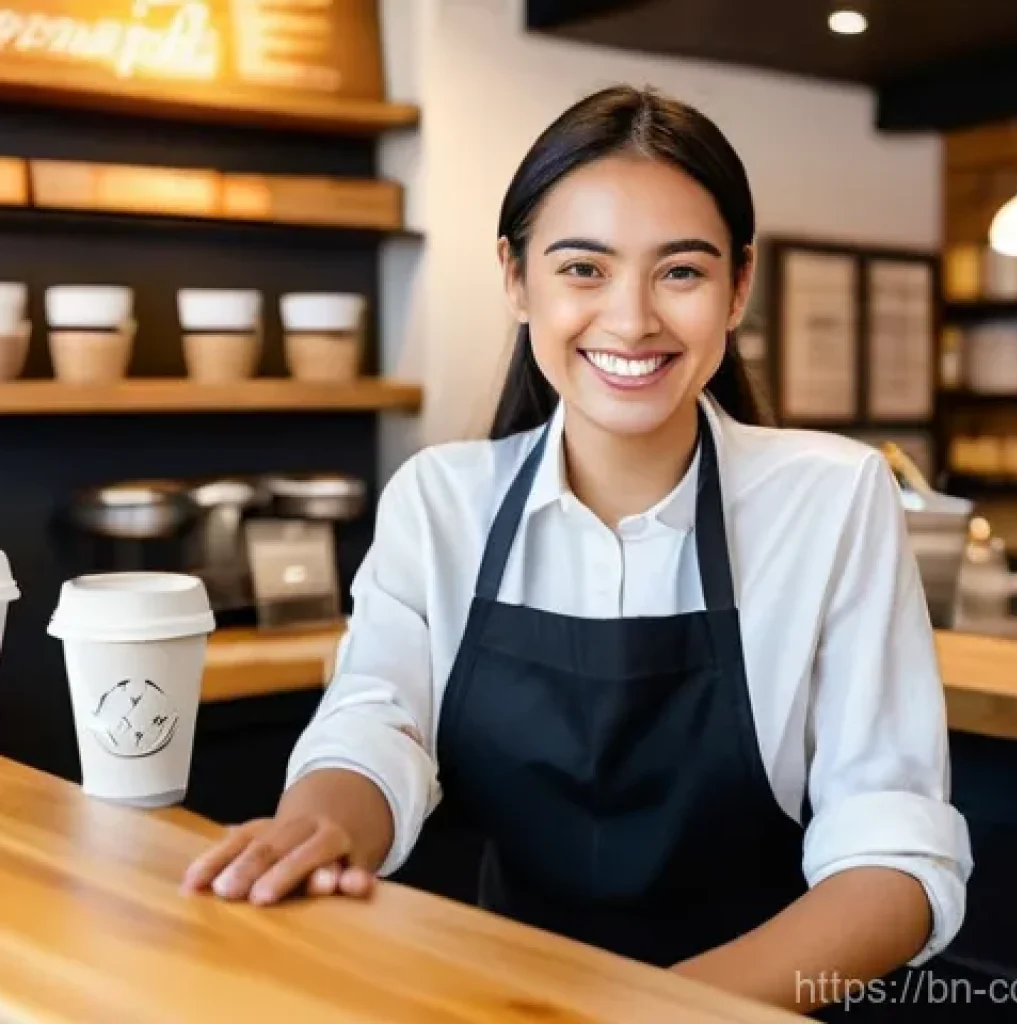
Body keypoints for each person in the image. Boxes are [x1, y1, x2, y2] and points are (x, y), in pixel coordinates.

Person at [183, 86, 972, 1018]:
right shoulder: (441, 500)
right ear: (517, 279)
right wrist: (317, 827)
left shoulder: (832, 499)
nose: (632, 320)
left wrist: (651, 1014)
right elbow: (375, 722)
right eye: (584, 268)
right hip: (503, 1002)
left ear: (739, 288)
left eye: (681, 271)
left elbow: (893, 857)